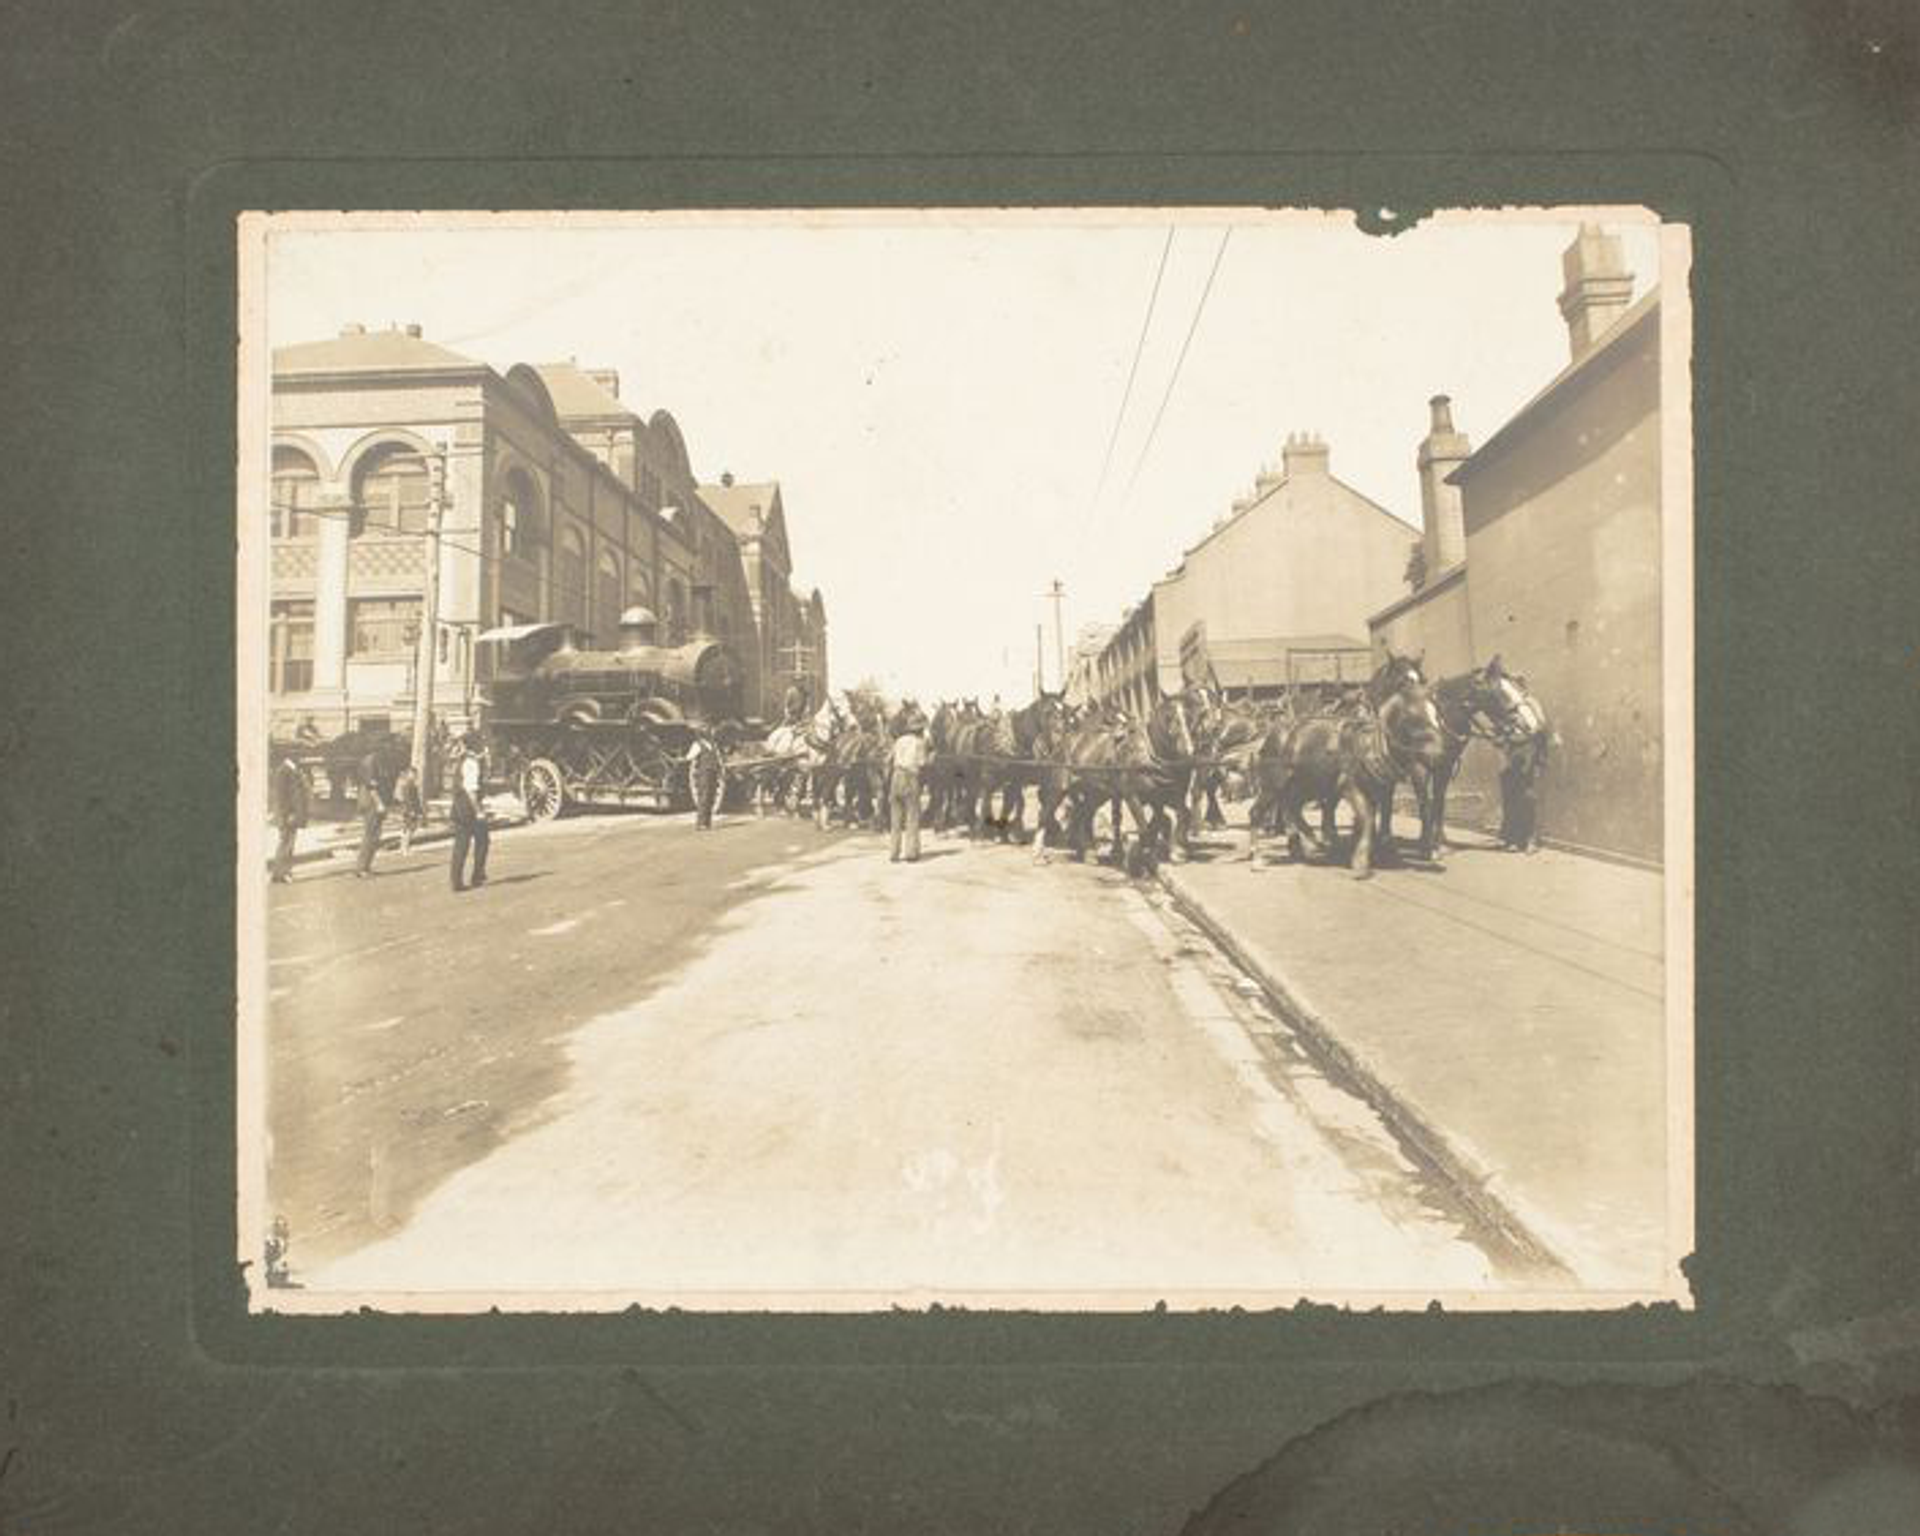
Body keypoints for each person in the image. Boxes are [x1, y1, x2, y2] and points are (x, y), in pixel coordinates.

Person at [1494, 671, 1550, 853]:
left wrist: (1537, 752)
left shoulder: (1531, 703)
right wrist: (1502, 739)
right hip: (1511, 753)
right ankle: (1512, 838)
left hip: (1528, 752)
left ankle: (1531, 839)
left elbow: (1541, 727)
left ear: (1522, 687)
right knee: (1510, 795)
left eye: (1517, 686)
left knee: (1527, 795)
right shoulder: (1506, 709)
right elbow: (1500, 733)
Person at [449, 731, 491, 892]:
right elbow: (471, 790)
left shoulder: (463, 760)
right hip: (469, 807)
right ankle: (477, 875)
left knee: (461, 843)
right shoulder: (471, 763)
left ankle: (456, 880)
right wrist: (478, 811)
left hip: (459, 806)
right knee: (482, 840)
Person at [888, 717, 927, 863]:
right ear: (919, 730)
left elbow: (891, 758)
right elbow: (922, 762)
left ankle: (894, 853)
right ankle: (911, 853)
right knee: (912, 815)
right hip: (910, 778)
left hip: (896, 777)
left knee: (895, 818)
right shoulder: (919, 743)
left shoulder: (899, 741)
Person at [269, 754, 310, 883]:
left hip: (291, 814)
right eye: (298, 755)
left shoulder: (292, 770)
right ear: (292, 756)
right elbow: (282, 797)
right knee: (286, 844)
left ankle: (280, 873)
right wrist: (289, 814)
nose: (301, 758)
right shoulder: (284, 771)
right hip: (287, 815)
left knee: (288, 844)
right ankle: (283, 873)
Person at [353, 746, 392, 878]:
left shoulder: (377, 760)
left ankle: (366, 867)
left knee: (375, 835)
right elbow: (371, 786)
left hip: (374, 801)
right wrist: (379, 803)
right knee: (370, 835)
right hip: (371, 802)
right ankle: (361, 868)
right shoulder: (371, 761)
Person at [687, 732, 724, 830]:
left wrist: (720, 769)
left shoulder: (713, 744)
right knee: (703, 797)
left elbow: (718, 758)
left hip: (713, 773)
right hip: (704, 773)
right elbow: (689, 757)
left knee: (710, 797)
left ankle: (707, 822)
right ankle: (700, 823)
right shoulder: (697, 744)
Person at [393, 762, 426, 855]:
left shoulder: (412, 784)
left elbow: (416, 799)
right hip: (409, 810)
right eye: (413, 774)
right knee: (409, 829)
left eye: (415, 774)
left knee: (408, 829)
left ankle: (403, 847)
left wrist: (419, 811)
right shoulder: (408, 785)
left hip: (410, 809)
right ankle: (405, 848)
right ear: (409, 774)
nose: (414, 776)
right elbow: (408, 799)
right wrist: (412, 810)